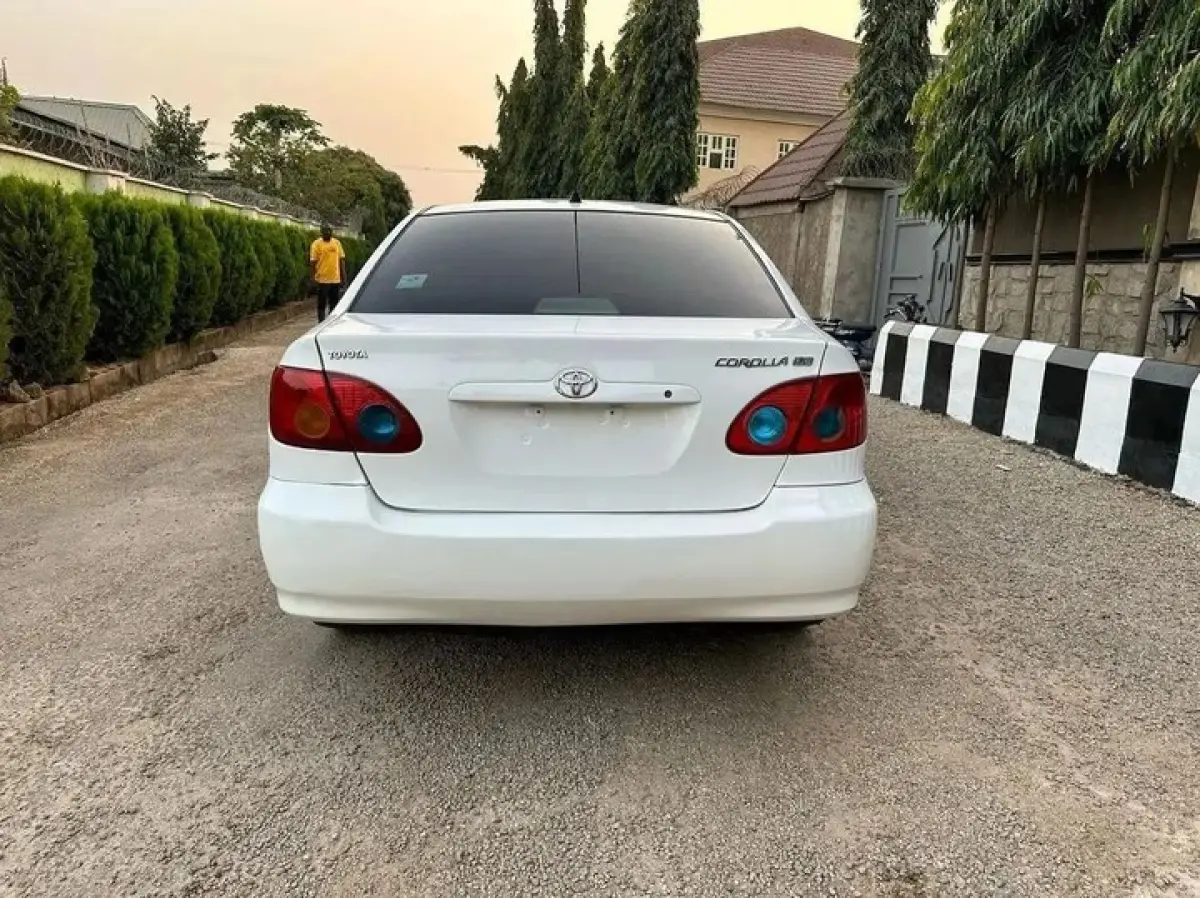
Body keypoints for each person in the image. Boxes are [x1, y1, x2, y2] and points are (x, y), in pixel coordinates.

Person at [310, 225, 347, 322]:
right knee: (321, 304)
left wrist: (344, 277)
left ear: (332, 232)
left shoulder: (337, 243)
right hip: (322, 280)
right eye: (325, 231)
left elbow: (341, 260)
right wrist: (312, 277)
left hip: (335, 279)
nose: (327, 233)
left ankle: (331, 323)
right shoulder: (316, 244)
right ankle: (321, 323)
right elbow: (313, 261)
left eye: (329, 231)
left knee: (334, 304)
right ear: (321, 232)